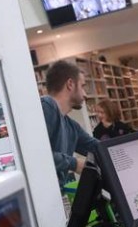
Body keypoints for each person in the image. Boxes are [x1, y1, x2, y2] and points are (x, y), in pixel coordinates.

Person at [41, 59, 99, 188]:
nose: (85, 95)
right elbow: (39, 154)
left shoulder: (70, 125)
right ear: (70, 84)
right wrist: (75, 164)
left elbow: (97, 148)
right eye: (83, 86)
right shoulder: (47, 106)